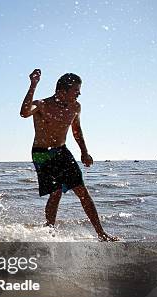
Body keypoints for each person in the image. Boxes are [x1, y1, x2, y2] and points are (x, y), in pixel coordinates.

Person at [20, 69, 117, 241]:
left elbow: (76, 130)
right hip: (41, 153)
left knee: (82, 190)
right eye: (76, 90)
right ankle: (50, 231)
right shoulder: (42, 104)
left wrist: (84, 152)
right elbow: (24, 112)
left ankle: (101, 233)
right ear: (62, 91)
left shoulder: (75, 107)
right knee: (55, 191)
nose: (79, 93)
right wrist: (33, 84)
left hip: (62, 151)